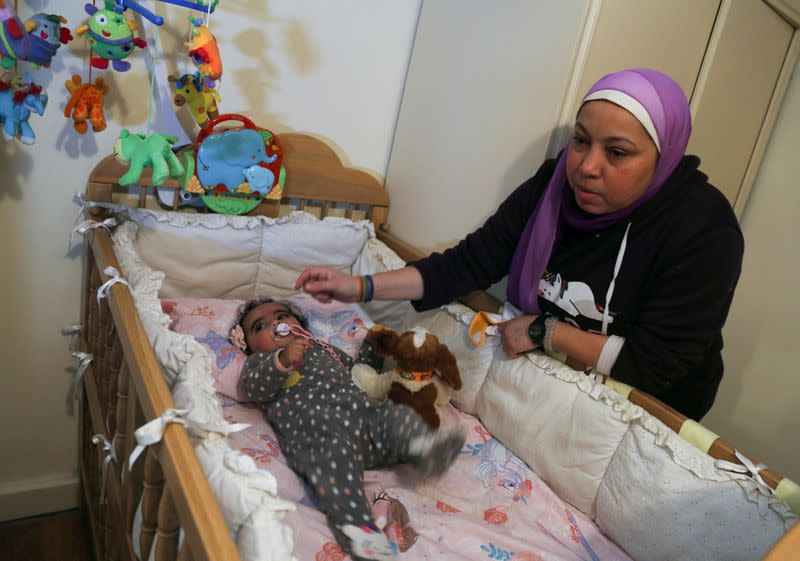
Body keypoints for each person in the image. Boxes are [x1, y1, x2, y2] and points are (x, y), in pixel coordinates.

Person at [295, 68, 744, 421]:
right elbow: (468, 264)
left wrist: (544, 330)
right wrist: (359, 287)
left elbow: (654, 364)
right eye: (581, 141)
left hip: (653, 400)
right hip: (567, 376)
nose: (587, 166)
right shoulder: (553, 184)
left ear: (662, 158)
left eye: (618, 152)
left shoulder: (702, 228)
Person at [231, 297, 465, 561]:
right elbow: (256, 387)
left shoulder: (322, 349)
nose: (276, 323)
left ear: (300, 326)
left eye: (283, 315)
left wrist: (373, 347)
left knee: (396, 416)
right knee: (335, 472)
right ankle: (359, 530)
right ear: (249, 347)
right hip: (319, 433)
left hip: (363, 418)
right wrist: (282, 360)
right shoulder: (260, 363)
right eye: (259, 326)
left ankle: (421, 451)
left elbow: (358, 373)